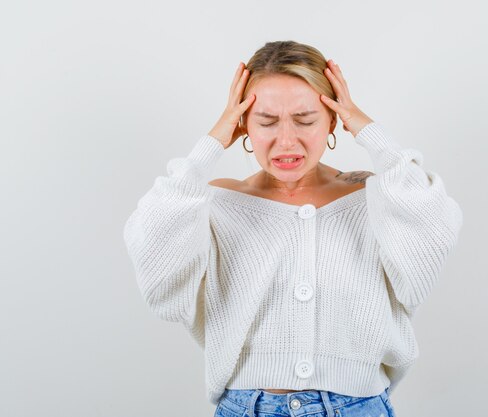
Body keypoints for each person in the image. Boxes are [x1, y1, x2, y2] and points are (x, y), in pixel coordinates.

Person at [123, 40, 463, 417]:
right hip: (245, 407)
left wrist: (369, 131)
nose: (287, 141)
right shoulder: (218, 203)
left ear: (333, 119)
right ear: (243, 125)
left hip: (358, 407)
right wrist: (211, 144)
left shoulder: (374, 198)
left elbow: (433, 229)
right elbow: (153, 258)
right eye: (266, 122)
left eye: (305, 120)